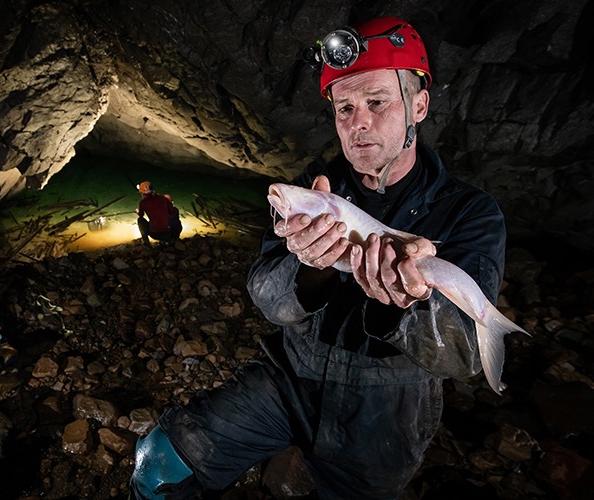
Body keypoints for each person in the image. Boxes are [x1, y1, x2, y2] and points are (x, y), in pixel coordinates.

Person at [130, 16, 507, 499]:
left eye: (377, 103)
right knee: (158, 462)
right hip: (288, 377)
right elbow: (266, 300)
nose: (358, 122)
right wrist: (309, 266)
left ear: (419, 105)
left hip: (386, 410)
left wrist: (403, 306)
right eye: (344, 108)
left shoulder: (470, 212)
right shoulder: (314, 189)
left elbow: (462, 356)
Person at [136, 181, 181, 245]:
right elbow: (172, 211)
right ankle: (175, 239)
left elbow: (141, 215)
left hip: (155, 234)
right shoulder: (163, 198)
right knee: (175, 212)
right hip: (171, 233)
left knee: (140, 220)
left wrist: (138, 211)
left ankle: (147, 243)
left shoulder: (143, 202)